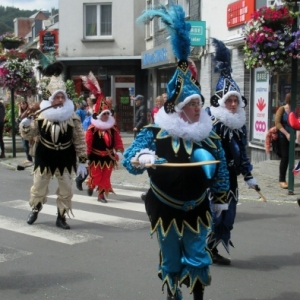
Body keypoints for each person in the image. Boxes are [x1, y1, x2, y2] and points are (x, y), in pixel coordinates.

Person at [124, 5, 229, 300]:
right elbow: (129, 159)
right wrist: (141, 158)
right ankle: (172, 293)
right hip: (165, 206)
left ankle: (197, 294)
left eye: (199, 104)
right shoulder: (153, 133)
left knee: (198, 254)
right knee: (170, 256)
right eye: (192, 105)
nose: (198, 109)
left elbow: (219, 168)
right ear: (178, 109)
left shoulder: (208, 135)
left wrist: (220, 199)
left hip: (197, 206)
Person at [207, 38, 258, 265]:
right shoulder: (214, 123)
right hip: (217, 179)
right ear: (222, 102)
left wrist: (248, 174)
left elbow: (243, 153)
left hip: (233, 180)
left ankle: (211, 247)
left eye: (237, 100)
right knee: (216, 217)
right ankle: (205, 249)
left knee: (229, 218)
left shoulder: (239, 124)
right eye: (230, 100)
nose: (234, 104)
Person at [19, 74, 87, 229]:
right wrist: (26, 124)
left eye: (63, 97)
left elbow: (79, 140)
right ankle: (35, 209)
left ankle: (61, 217)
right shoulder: (41, 116)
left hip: (66, 156)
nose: (61, 100)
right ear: (51, 99)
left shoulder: (73, 117)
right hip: (45, 155)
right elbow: (28, 135)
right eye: (58, 97)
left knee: (66, 188)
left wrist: (83, 161)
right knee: (39, 185)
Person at [86, 95, 124, 203]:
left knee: (106, 177)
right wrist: (86, 157)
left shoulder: (113, 129)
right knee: (96, 176)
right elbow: (87, 144)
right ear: (99, 115)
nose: (107, 115)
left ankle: (101, 195)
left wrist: (119, 152)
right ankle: (91, 185)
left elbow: (118, 142)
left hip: (109, 157)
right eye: (104, 113)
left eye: (108, 113)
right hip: (95, 157)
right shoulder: (92, 129)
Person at [275, 92, 291, 189]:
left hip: (293, 137)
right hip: (282, 136)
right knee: (285, 157)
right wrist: (286, 134)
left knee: (290, 158)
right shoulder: (282, 109)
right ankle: (282, 179)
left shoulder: (295, 110)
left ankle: (291, 178)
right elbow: (277, 123)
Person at [17, 100, 33, 165]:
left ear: (27, 104)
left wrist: (27, 109)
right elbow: (20, 116)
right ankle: (28, 158)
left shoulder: (29, 111)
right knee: (25, 145)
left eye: (24, 104)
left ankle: (30, 159)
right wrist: (19, 108)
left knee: (27, 145)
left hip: (29, 130)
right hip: (23, 130)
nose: (22, 105)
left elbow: (21, 117)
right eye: (21, 104)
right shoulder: (22, 110)